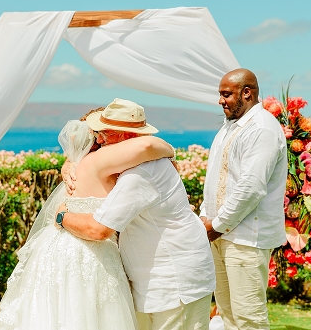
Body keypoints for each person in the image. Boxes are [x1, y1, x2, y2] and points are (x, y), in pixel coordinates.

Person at [0, 103, 176, 330]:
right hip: (91, 250)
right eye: (100, 133)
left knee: (55, 313)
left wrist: (69, 162)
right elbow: (148, 145)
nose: (102, 138)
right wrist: (171, 151)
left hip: (56, 246)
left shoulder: (80, 165)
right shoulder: (106, 163)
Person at [59, 99, 215, 330]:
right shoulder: (129, 166)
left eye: (106, 134)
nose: (99, 140)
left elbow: (98, 229)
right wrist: (71, 162)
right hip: (158, 281)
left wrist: (61, 216)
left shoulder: (140, 174)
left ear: (127, 136)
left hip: (174, 282)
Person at [199, 69, 287, 330]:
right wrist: (207, 216)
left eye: (226, 94)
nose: (220, 101)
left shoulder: (262, 129)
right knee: (226, 314)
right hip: (221, 234)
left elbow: (251, 188)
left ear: (246, 93)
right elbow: (214, 177)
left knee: (250, 318)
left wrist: (216, 225)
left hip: (247, 238)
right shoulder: (229, 128)